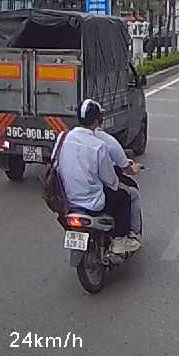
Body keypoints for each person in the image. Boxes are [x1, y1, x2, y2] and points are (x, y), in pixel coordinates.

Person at [56, 99, 141, 254]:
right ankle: (120, 240)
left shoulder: (63, 137)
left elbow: (56, 164)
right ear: (97, 121)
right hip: (93, 203)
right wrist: (120, 185)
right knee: (126, 194)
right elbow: (110, 180)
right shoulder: (99, 146)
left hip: (66, 198)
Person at [95, 127, 144, 242]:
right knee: (129, 193)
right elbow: (110, 178)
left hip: (72, 197)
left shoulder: (67, 139)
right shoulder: (104, 143)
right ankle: (129, 236)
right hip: (96, 195)